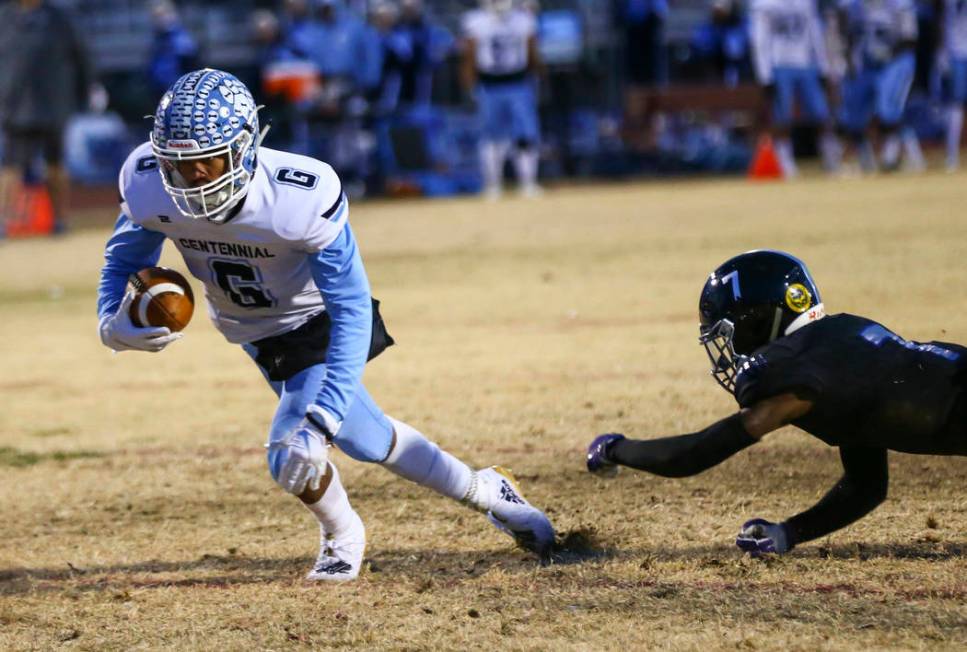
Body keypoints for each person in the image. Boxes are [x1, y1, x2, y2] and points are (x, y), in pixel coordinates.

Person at [96, 69, 556, 581]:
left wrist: (320, 419)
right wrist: (109, 321)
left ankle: (343, 535)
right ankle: (489, 491)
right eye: (178, 165)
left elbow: (352, 306)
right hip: (253, 332)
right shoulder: (146, 182)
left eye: (208, 161)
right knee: (369, 440)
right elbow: (123, 261)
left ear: (246, 146)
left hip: (316, 324)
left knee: (291, 451)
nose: (194, 178)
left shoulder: (299, 196)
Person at [586, 250, 967, 555]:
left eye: (730, 334)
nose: (730, 350)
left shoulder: (798, 373)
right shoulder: (841, 347)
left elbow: (693, 456)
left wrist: (615, 449)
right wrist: (788, 533)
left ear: (761, 319)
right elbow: (866, 485)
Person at [0, 0, 99, 234]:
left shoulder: (60, 19)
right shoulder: (5, 17)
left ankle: (61, 221)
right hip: (16, 103)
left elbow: (81, 54)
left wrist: (89, 88)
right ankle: (3, 221)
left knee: (55, 164)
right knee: (11, 166)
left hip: (54, 102)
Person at [460, 0, 543, 199]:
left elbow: (532, 52)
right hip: (489, 85)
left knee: (525, 134)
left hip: (517, 82)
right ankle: (492, 184)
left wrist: (538, 78)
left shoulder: (523, 20)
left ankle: (528, 182)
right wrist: (469, 87)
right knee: (491, 136)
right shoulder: (475, 21)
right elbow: (470, 56)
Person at [749, 0, 842, 176]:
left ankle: (831, 158)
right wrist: (764, 74)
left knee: (820, 112)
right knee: (782, 115)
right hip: (779, 62)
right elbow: (760, 38)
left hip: (806, 62)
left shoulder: (805, 2)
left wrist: (822, 64)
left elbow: (814, 31)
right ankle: (785, 161)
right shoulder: (765, 4)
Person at [837, 0, 919, 172]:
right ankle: (865, 161)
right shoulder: (853, 5)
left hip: (895, 60)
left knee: (888, 110)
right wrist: (849, 58)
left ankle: (905, 156)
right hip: (866, 62)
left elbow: (910, 38)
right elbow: (846, 31)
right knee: (853, 115)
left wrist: (888, 54)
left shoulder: (899, 4)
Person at [146, 0, 200, 100]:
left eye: (162, 15)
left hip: (178, 94)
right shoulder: (159, 38)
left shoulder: (182, 39)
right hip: (160, 93)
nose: (160, 19)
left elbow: (191, 69)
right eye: (156, 16)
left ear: (172, 15)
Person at [941, 0, 967, 171]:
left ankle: (952, 155)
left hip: (957, 53)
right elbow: (944, 23)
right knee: (955, 105)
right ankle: (952, 155)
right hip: (956, 53)